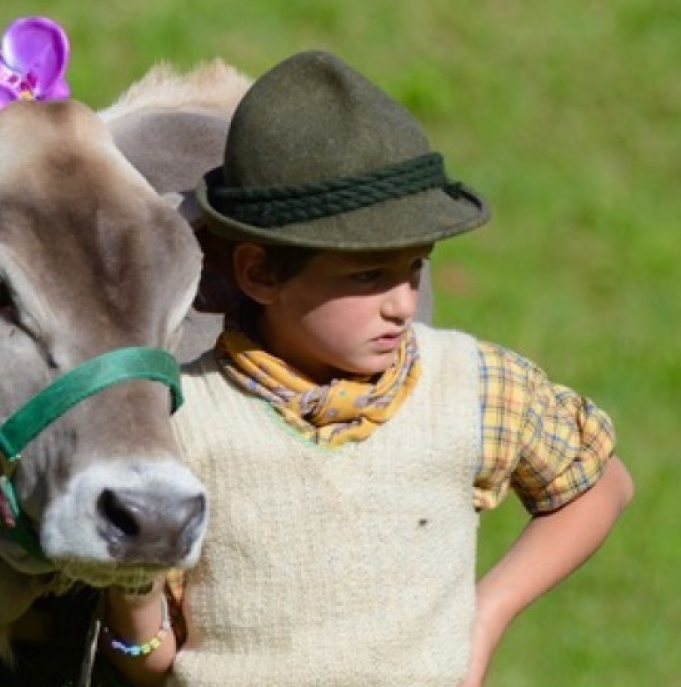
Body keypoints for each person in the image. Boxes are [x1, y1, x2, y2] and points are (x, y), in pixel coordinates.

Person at [98, 50, 634, 687]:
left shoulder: (469, 388)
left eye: (414, 269)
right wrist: (132, 599)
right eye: (367, 276)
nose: (404, 304)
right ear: (260, 272)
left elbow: (600, 485)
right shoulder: (186, 420)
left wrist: (487, 612)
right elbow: (158, 664)